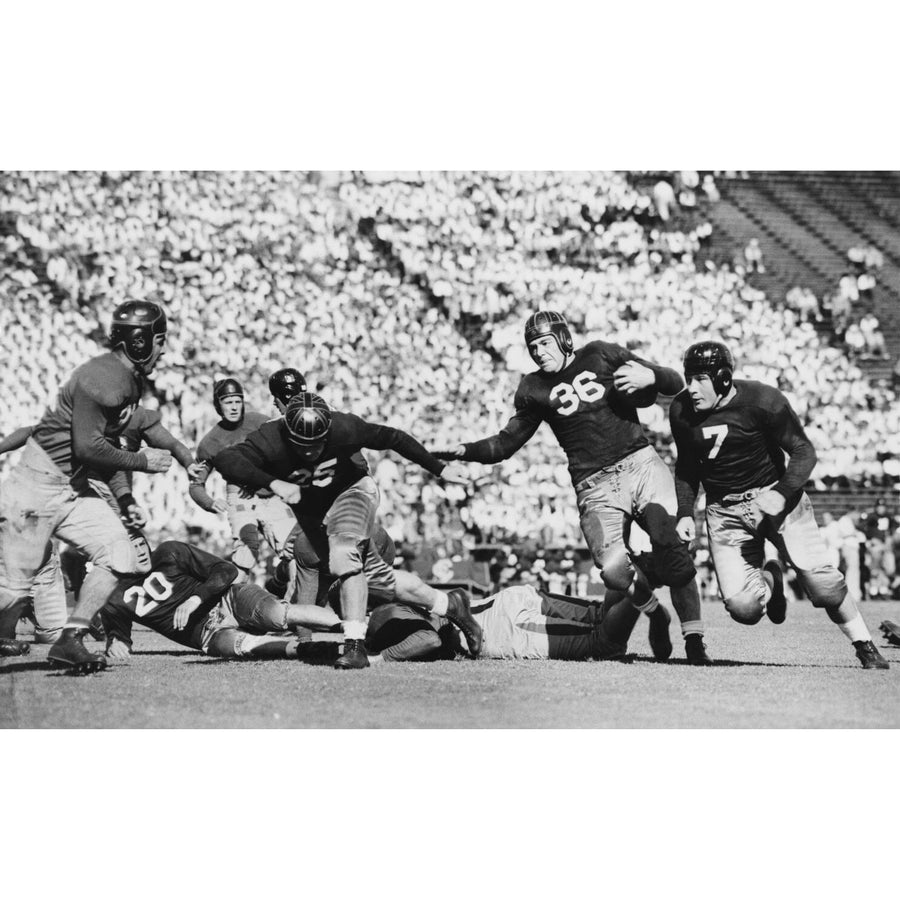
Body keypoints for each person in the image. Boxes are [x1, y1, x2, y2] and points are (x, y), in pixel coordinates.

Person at [432, 309, 710, 663]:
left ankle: (694, 639)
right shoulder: (532, 388)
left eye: (545, 342)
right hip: (594, 485)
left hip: (639, 462)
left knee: (671, 547)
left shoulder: (600, 353)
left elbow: (673, 384)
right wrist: (463, 450)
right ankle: (655, 610)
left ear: (564, 339)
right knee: (612, 571)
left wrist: (652, 376)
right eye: (532, 346)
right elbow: (504, 445)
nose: (539, 351)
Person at [669, 340, 889, 670]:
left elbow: (804, 451)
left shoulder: (762, 401)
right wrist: (685, 511)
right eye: (689, 378)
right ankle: (773, 580)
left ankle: (864, 644)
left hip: (776, 499)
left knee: (822, 585)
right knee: (744, 608)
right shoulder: (681, 410)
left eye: (701, 379)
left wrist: (781, 492)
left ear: (723, 379)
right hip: (724, 511)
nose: (692, 388)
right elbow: (687, 467)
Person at [214, 391, 473, 669]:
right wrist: (274, 483)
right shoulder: (270, 437)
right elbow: (225, 460)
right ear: (288, 434)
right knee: (375, 578)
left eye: (318, 443)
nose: (311, 451)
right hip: (315, 506)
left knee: (343, 552)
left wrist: (440, 469)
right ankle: (449, 603)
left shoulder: (345, 427)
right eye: (303, 445)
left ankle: (354, 647)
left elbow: (393, 438)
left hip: (354, 490)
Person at [0, 300, 172, 672]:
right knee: (12, 595)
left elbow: (100, 448)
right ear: (141, 342)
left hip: (72, 489)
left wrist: (124, 498)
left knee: (120, 554)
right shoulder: (106, 377)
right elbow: (88, 447)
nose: (163, 349)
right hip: (35, 489)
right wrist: (144, 461)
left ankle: (71, 640)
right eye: (159, 340)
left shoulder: (126, 379)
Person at [0, 405, 194, 647]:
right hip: (79, 493)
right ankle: (97, 620)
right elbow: (32, 431)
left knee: (120, 559)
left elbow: (163, 447)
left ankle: (83, 614)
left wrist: (187, 463)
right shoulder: (85, 417)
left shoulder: (140, 418)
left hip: (112, 497)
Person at [102, 537, 340, 661]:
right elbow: (119, 635)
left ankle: (356, 628)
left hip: (228, 600)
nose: (141, 550)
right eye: (133, 547)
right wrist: (116, 643)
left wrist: (196, 598)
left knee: (277, 614)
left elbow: (227, 570)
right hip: (207, 634)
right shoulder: (112, 595)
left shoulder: (169, 552)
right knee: (242, 646)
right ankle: (312, 649)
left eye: (141, 543)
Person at [188, 378, 296, 574]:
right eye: (228, 402)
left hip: (270, 493)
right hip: (240, 497)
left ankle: (281, 585)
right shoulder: (210, 442)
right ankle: (233, 601)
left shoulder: (261, 422)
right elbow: (196, 485)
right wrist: (210, 502)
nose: (234, 407)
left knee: (295, 551)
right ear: (218, 405)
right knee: (244, 556)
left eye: (238, 401)